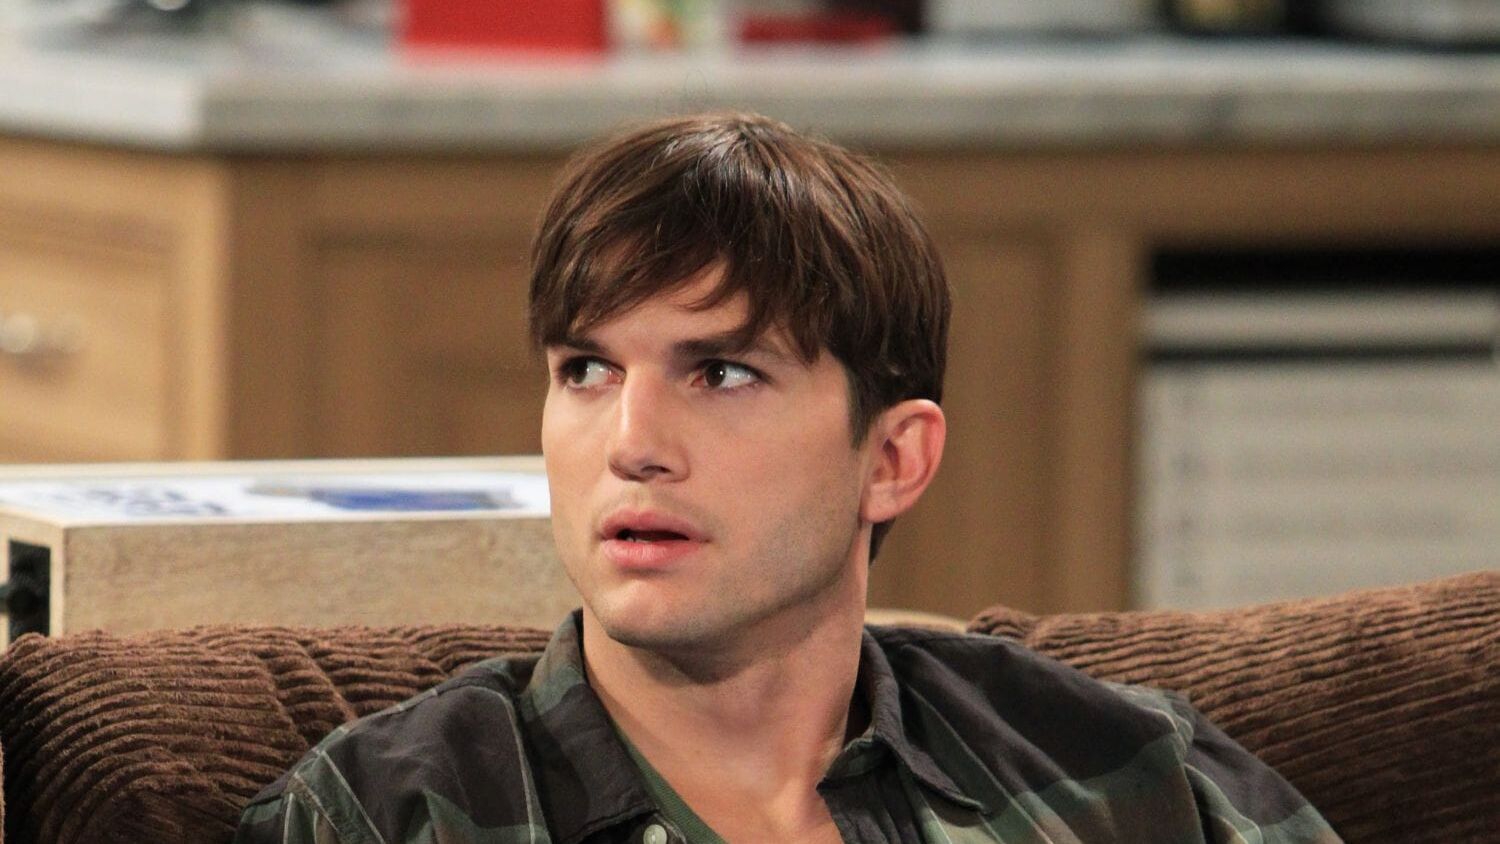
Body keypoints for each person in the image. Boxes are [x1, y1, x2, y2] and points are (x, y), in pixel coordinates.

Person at [236, 112, 1340, 843]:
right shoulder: (388, 814)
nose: (631, 442)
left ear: (893, 459)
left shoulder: (1127, 775)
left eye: (721, 372)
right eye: (587, 371)